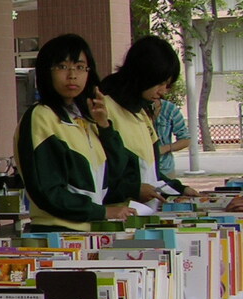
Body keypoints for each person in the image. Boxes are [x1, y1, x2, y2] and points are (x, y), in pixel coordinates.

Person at [15, 33, 140, 229]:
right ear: (46, 72)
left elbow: (118, 172)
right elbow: (47, 191)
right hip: (56, 233)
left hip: (88, 230)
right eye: (62, 67)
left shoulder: (86, 119)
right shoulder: (41, 117)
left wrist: (104, 127)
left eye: (80, 67)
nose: (72, 75)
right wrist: (101, 211)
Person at [99, 35, 187, 199]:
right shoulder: (104, 109)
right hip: (118, 216)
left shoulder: (140, 111)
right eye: (160, 84)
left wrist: (179, 189)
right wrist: (132, 190)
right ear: (143, 75)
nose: (163, 92)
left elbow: (150, 172)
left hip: (143, 214)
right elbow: (99, 176)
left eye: (167, 85)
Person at [155, 96, 191, 183]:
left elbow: (185, 139)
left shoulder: (169, 109)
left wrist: (165, 149)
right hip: (139, 170)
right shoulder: (133, 110)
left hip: (165, 169)